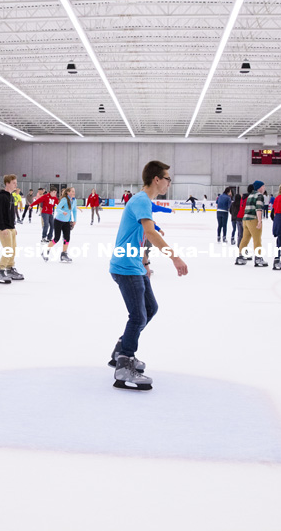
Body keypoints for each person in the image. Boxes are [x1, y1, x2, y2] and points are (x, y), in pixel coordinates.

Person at [109, 160, 188, 391]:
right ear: (157, 179)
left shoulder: (143, 201)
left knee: (149, 309)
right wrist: (175, 257)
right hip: (125, 266)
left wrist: (144, 262)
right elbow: (149, 232)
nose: (168, 183)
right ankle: (125, 365)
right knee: (137, 316)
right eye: (167, 179)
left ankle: (121, 350)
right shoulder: (142, 200)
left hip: (134, 264)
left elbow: (139, 234)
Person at [0, 175, 24, 283]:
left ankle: (10, 268)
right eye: (14, 183)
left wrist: (13, 227)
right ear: (7, 184)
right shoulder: (2, 197)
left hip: (10, 227)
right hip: (3, 228)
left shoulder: (11, 196)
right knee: (8, 249)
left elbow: (11, 214)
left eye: (16, 183)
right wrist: (3, 228)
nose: (16, 185)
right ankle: (0, 270)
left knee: (13, 250)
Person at [42, 186, 78, 263]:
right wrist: (63, 212)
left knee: (67, 238)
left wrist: (75, 220)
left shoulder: (74, 200)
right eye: (72, 191)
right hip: (58, 221)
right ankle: (46, 251)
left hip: (67, 222)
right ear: (68, 192)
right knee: (56, 238)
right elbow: (58, 208)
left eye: (74, 191)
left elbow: (74, 211)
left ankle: (64, 254)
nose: (73, 193)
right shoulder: (64, 199)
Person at [236, 181, 267, 267]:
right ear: (259, 187)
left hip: (245, 220)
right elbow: (258, 209)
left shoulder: (250, 195)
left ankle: (240, 257)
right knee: (257, 239)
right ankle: (258, 258)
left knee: (245, 239)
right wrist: (259, 221)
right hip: (253, 219)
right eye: (263, 186)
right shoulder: (259, 196)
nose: (264, 188)